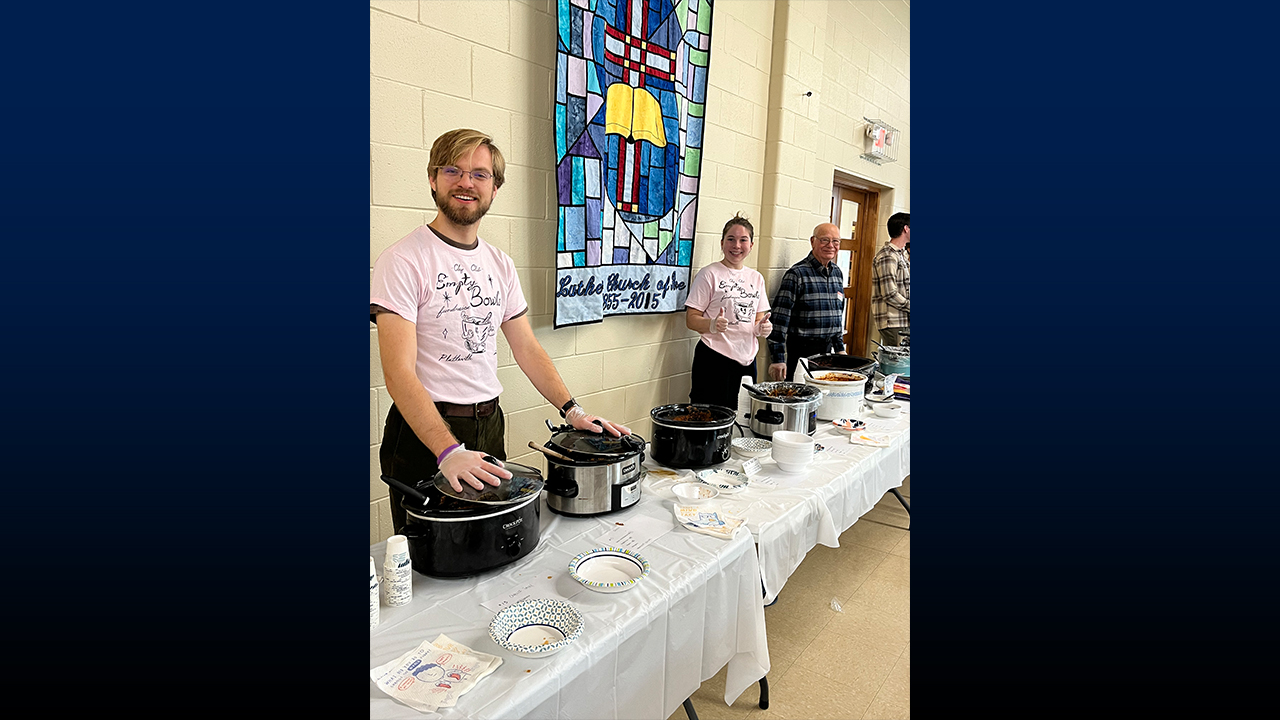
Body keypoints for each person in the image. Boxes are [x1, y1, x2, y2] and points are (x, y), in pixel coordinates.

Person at [370, 128, 630, 533]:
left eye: (479, 174)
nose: (465, 183)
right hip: (426, 435)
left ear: (494, 187)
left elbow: (526, 346)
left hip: (489, 424)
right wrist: (447, 450)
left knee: (486, 547)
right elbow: (397, 372)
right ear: (432, 178)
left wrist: (571, 409)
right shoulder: (403, 260)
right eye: (453, 170)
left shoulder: (501, 264)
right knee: (432, 562)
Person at [683, 214, 772, 409]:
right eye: (731, 239)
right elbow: (691, 319)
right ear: (722, 243)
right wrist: (711, 324)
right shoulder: (709, 274)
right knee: (709, 418)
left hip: (747, 360)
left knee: (743, 416)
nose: (736, 245)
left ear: (751, 245)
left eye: (743, 240)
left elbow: (758, 318)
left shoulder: (756, 278)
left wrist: (762, 328)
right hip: (714, 358)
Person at [766, 223, 847, 381]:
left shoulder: (837, 273)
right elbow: (778, 321)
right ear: (813, 241)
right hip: (801, 351)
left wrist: (840, 349)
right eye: (824, 240)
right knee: (799, 400)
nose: (831, 245)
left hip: (827, 352)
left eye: (835, 241)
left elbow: (837, 316)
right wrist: (778, 359)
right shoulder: (797, 274)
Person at [871, 212, 910, 347]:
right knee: (897, 365)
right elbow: (889, 293)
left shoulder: (900, 255)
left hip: (902, 320)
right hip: (893, 322)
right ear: (906, 229)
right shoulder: (888, 255)